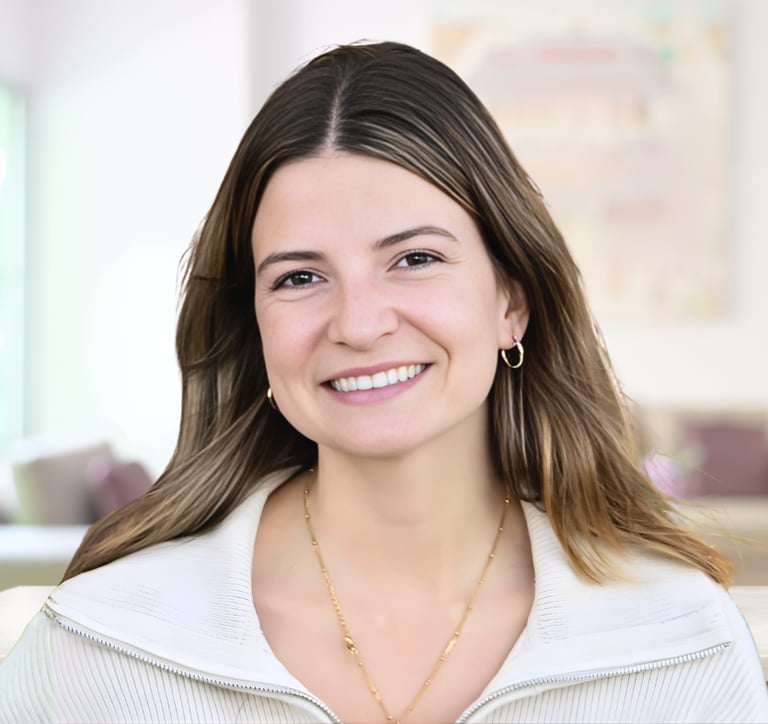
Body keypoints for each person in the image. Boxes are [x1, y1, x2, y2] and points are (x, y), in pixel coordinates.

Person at [1, 41, 765, 724]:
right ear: (255, 328)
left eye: (415, 259)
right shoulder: (106, 638)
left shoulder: (679, 642)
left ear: (511, 300)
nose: (359, 325)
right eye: (300, 277)